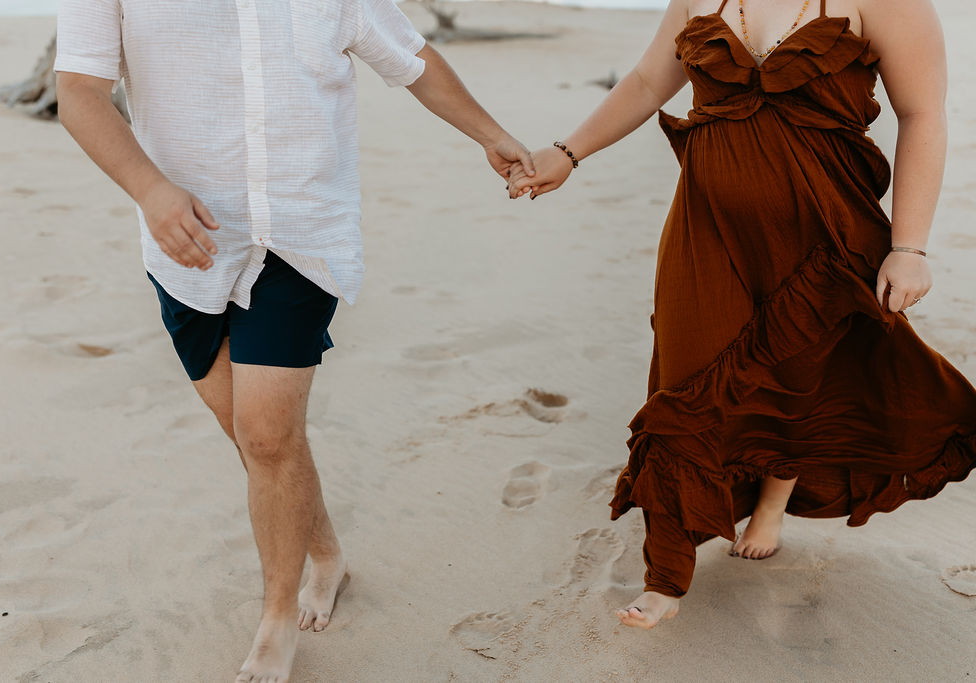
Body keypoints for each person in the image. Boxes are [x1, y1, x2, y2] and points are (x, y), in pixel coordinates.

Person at [54, 1, 533, 680]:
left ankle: (277, 617)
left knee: (269, 433)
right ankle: (328, 554)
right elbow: (78, 90)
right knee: (249, 429)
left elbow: (413, 59)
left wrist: (491, 134)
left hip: (302, 232)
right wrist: (150, 190)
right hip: (186, 240)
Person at [508, 0, 976, 629]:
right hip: (708, 226)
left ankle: (773, 495)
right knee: (686, 379)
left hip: (827, 230)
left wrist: (909, 247)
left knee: (802, 371)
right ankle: (667, 573)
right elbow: (650, 80)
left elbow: (922, 116)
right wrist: (568, 151)